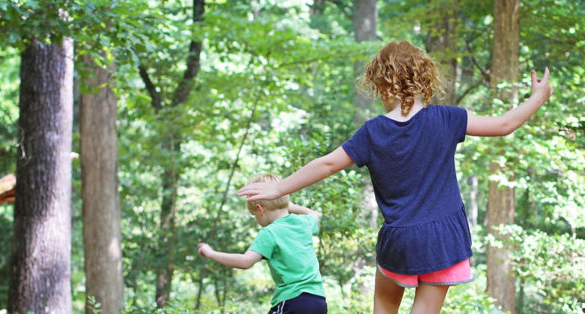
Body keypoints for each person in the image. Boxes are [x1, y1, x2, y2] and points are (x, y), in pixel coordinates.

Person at [236, 40, 553, 313]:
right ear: (424, 78)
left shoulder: (372, 132)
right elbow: (503, 125)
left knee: (386, 306)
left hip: (399, 239)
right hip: (443, 238)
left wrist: (277, 188)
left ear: (379, 83)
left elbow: (326, 165)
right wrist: (537, 97)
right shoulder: (447, 118)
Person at [198, 173, 327, 314]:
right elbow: (314, 215)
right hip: (318, 301)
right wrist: (290, 206)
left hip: (292, 301)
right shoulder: (303, 222)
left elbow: (245, 261)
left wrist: (212, 254)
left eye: (254, 215)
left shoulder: (269, 233)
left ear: (260, 209)